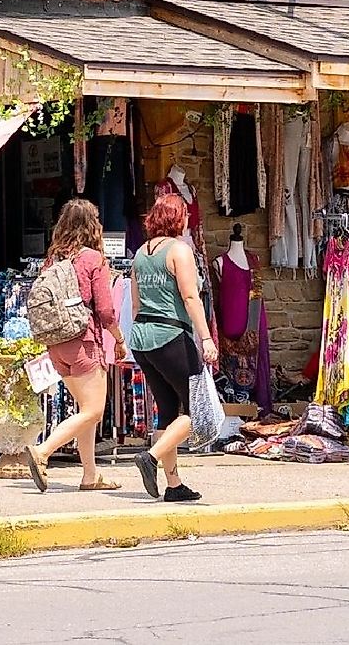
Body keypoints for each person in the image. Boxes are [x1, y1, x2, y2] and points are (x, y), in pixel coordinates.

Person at [24, 199, 121, 493]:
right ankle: (42, 452)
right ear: (93, 225)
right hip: (83, 343)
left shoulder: (53, 259)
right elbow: (104, 310)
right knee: (94, 411)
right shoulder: (93, 259)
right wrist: (119, 338)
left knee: (84, 410)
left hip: (57, 345)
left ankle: (90, 475)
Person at [127, 189, 217, 502]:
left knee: (166, 411)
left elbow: (136, 305)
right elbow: (190, 297)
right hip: (170, 336)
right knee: (197, 409)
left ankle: (174, 484)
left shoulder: (140, 254)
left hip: (142, 339)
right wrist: (206, 337)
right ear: (177, 218)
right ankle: (150, 457)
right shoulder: (179, 251)